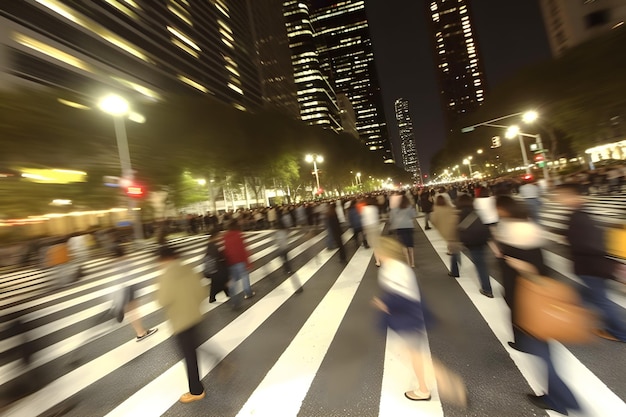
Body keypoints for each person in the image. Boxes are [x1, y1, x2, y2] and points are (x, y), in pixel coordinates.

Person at [493, 196, 579, 415]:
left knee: (542, 351)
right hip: (532, 295)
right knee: (542, 349)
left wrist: (510, 260)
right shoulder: (529, 226)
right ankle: (563, 398)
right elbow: (541, 266)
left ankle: (562, 400)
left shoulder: (512, 231)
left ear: (504, 210)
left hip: (526, 297)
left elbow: (529, 267)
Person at [372, 237, 467, 405]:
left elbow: (397, 298)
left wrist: (383, 304)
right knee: (414, 355)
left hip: (405, 320)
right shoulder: (402, 267)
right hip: (414, 316)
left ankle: (434, 387)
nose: (376, 253)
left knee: (415, 356)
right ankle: (442, 385)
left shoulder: (390, 270)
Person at [553, 183, 626, 342]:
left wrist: (570, 240)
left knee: (601, 300)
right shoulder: (581, 212)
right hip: (593, 266)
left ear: (571, 196)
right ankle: (574, 321)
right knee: (584, 295)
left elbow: (590, 244)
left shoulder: (579, 216)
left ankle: (621, 332)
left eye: (561, 196)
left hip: (591, 267)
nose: (558, 199)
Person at [156, 246, 207, 403]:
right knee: (193, 349)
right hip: (194, 316)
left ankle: (196, 391)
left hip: (180, 321)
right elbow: (202, 292)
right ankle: (221, 363)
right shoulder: (189, 268)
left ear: (165, 259)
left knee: (189, 356)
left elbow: (162, 300)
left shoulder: (167, 276)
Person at [109, 246, 158, 342]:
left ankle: (139, 332)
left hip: (123, 289)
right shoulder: (125, 260)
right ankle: (141, 332)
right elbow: (132, 274)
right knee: (134, 312)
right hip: (130, 288)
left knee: (131, 313)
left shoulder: (115, 263)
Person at [456, 194, 493, 297]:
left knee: (479, 265)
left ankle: (487, 289)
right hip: (482, 239)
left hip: (471, 243)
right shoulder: (477, 212)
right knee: (482, 264)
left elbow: (459, 230)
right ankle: (487, 288)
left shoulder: (460, 214)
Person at [222, 220, 254, 309]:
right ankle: (248, 293)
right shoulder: (239, 235)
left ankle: (234, 301)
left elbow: (225, 250)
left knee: (233, 280)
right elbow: (243, 249)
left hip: (230, 261)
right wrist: (248, 262)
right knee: (245, 276)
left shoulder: (225, 236)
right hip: (240, 260)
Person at [430, 195, 461, 277]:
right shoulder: (449, 207)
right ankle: (457, 265)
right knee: (455, 249)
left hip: (445, 232)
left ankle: (455, 271)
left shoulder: (436, 209)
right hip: (454, 229)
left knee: (453, 251)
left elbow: (433, 221)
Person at [389, 193, 417, 267]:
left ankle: (408, 263)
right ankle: (412, 263)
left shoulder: (395, 209)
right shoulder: (409, 207)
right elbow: (413, 215)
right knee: (410, 244)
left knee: (403, 245)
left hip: (400, 227)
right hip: (409, 226)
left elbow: (391, 219)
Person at [203, 234, 230, 303]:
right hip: (217, 269)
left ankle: (215, 297)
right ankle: (226, 294)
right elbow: (218, 257)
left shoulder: (209, 247)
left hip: (212, 269)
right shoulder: (214, 247)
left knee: (215, 284)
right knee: (220, 282)